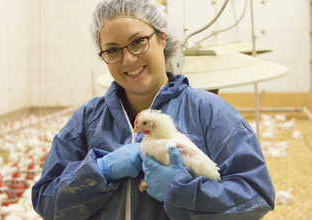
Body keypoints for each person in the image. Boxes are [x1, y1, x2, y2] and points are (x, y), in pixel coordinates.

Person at [32, 0, 275, 219]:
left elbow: (255, 197)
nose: (128, 60)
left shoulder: (211, 113)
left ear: (162, 38)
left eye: (138, 42)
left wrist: (181, 191)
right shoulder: (87, 121)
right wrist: (100, 172)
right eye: (113, 50)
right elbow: (45, 201)